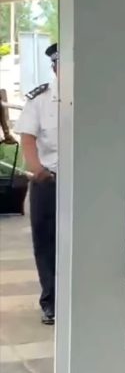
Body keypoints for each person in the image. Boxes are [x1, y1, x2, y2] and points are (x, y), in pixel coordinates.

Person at [15, 43, 58, 326]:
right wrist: (37, 169)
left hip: (83, 184)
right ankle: (51, 301)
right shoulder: (40, 99)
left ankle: (81, 299)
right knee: (46, 243)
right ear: (55, 68)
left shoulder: (91, 97)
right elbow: (27, 137)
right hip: (49, 181)